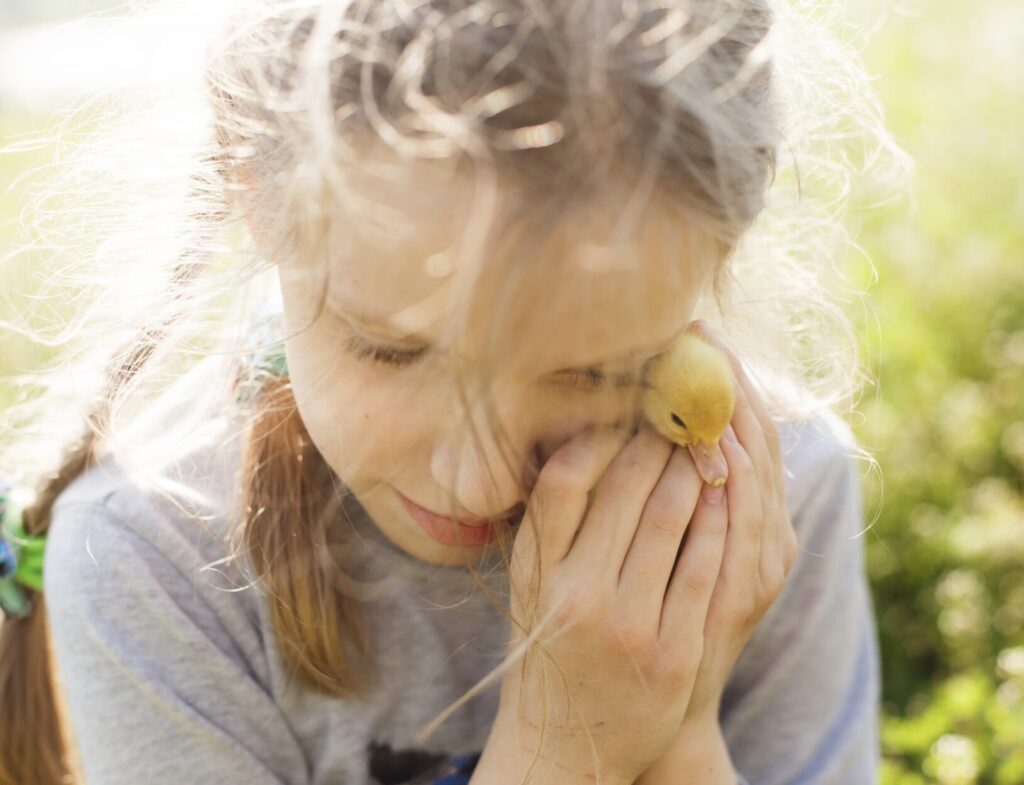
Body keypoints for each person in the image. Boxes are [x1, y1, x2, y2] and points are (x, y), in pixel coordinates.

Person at [0, 0, 905, 783]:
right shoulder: (152, 561)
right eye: (391, 352)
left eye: (596, 369)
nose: (476, 484)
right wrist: (565, 756)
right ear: (258, 199)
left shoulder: (776, 505)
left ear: (720, 246)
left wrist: (684, 733)